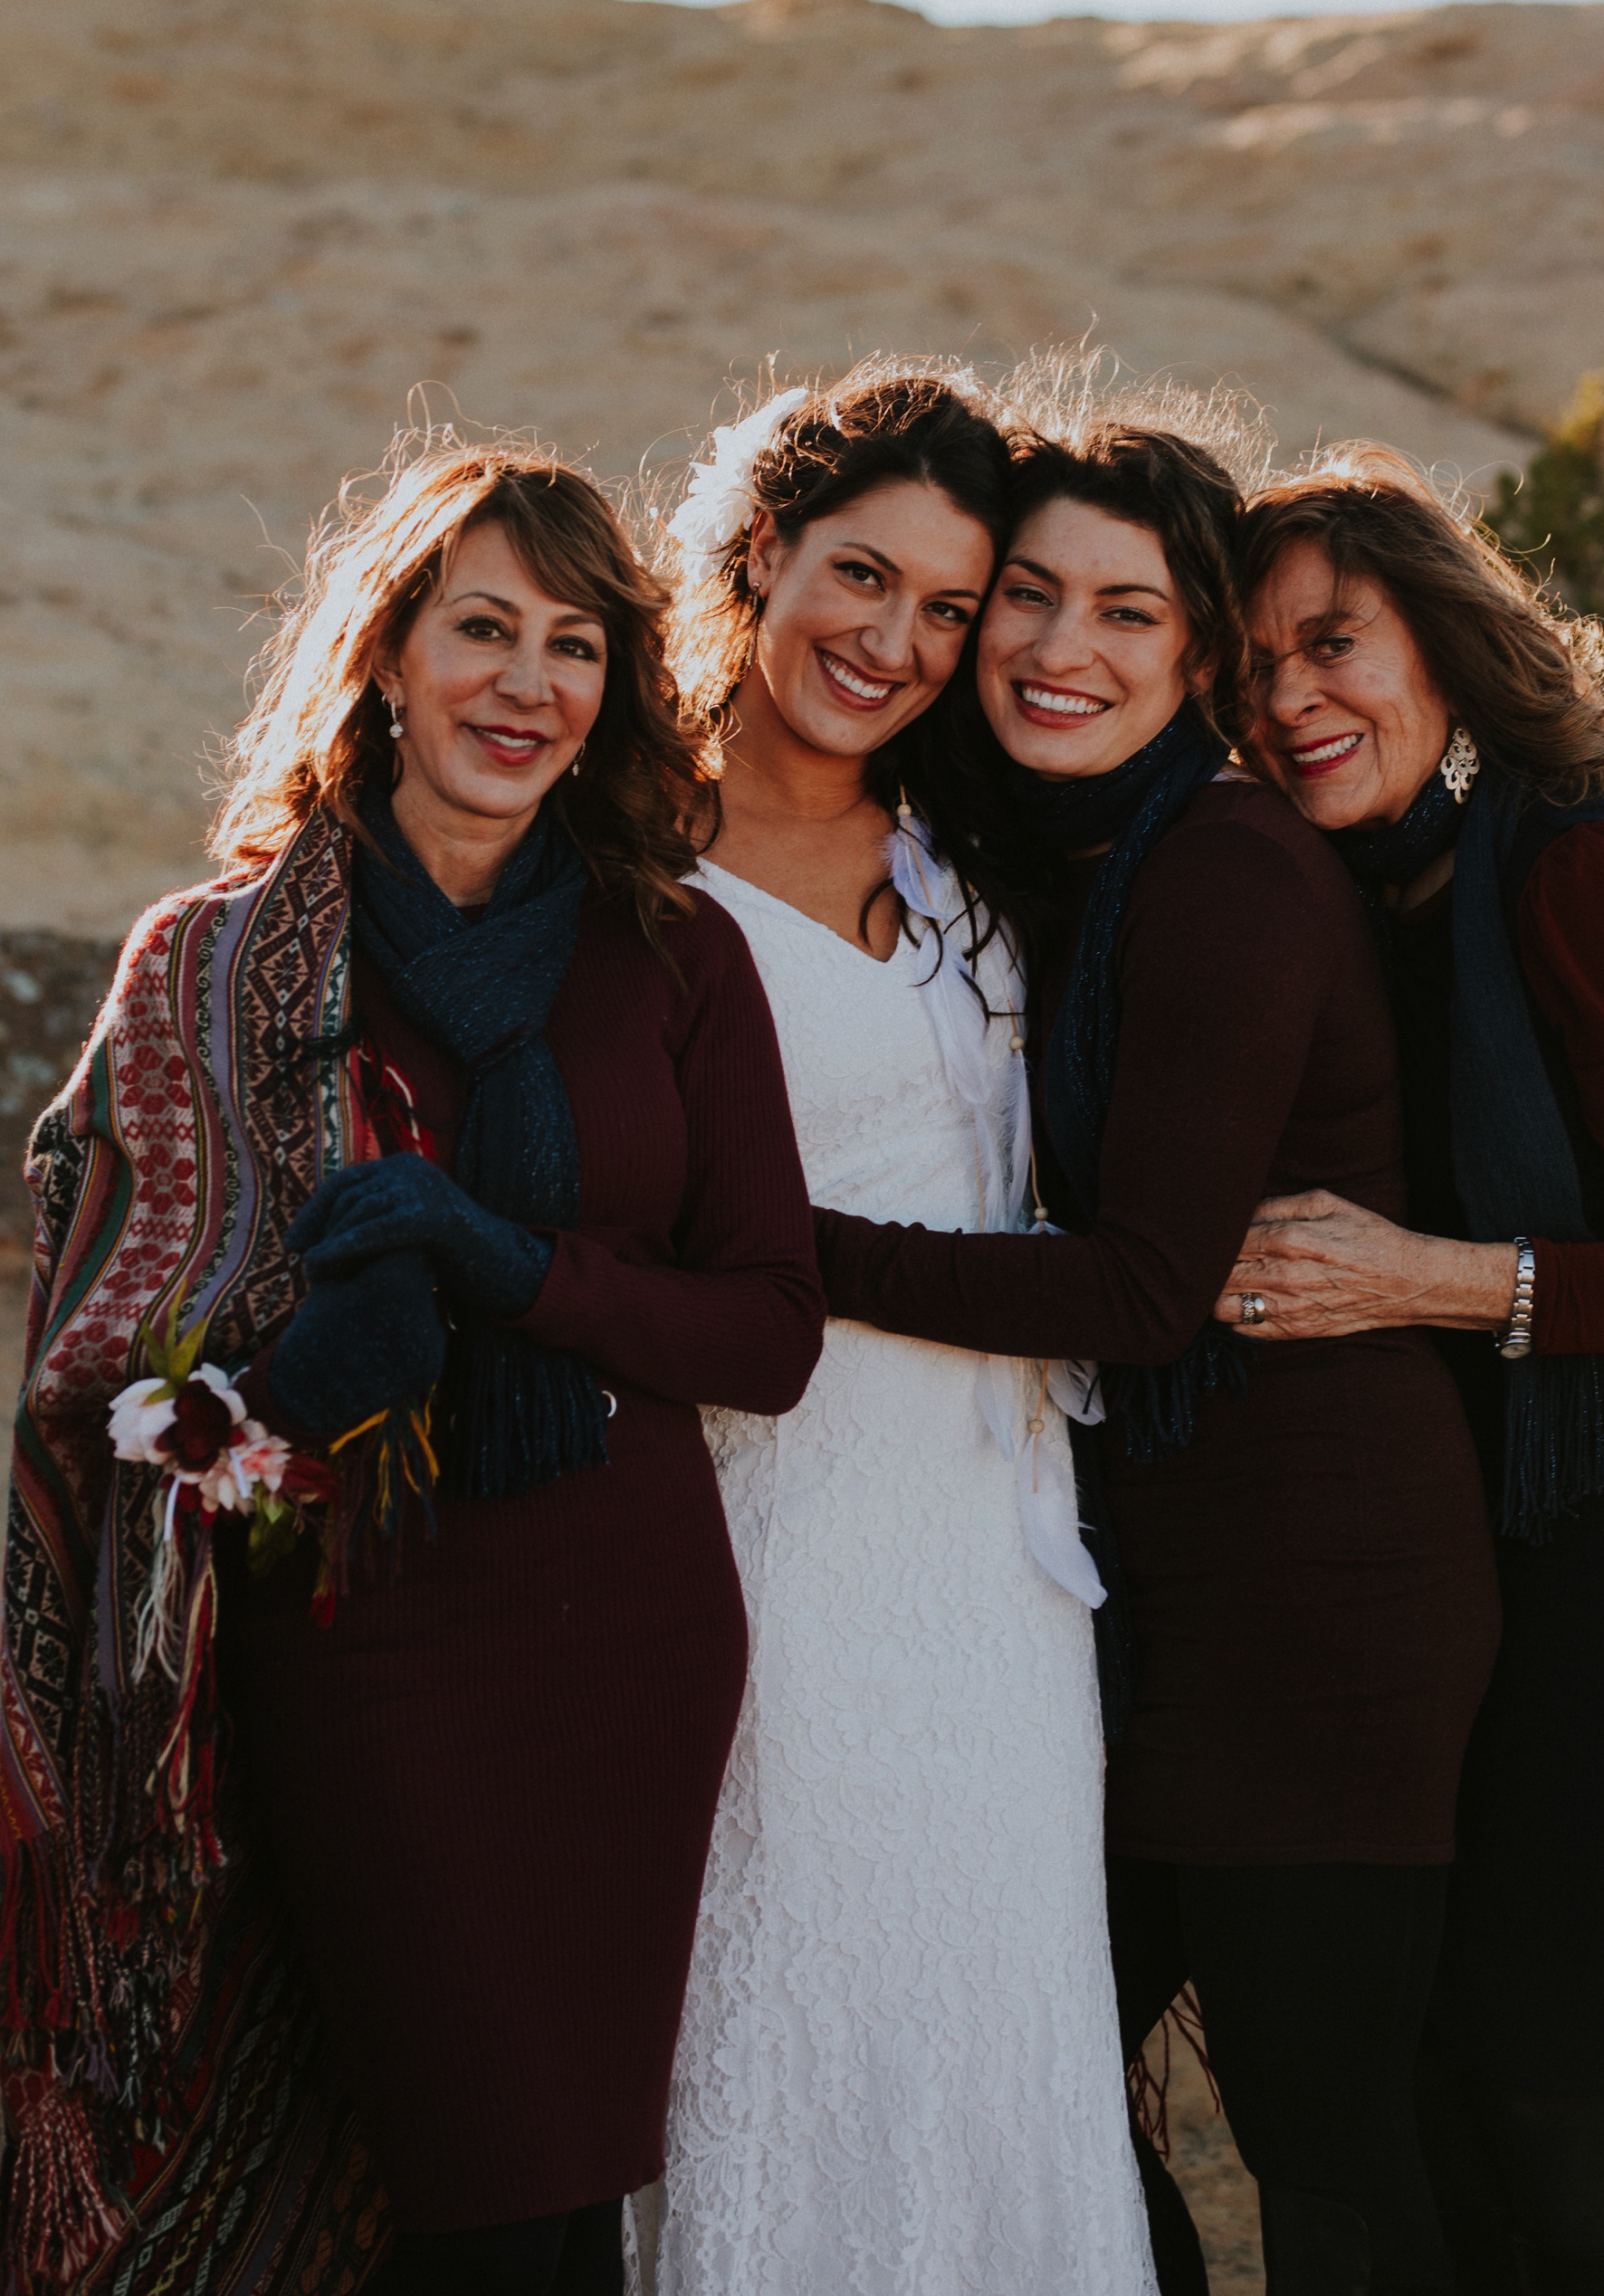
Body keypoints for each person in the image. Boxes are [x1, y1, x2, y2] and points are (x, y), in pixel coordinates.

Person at [0, 436, 823, 2296]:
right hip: (361, 1652)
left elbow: (768, 1329)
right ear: (384, 654)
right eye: (482, 629)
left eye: (574, 645)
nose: (525, 685)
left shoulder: (674, 960)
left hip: (626, 1633)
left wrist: (507, 1267)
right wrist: (293, 1381)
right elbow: (102, 1381)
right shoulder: (211, 967)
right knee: (465, 2184)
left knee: (554, 2199)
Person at [811, 371, 1502, 2296]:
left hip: (1323, 1605)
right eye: (1025, 595)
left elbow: (1133, 1287)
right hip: (1160, 1600)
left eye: (1126, 613)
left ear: (1197, 654)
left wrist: (777, 1251)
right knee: (1042, 2080)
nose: (1055, 647)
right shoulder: (1072, 868)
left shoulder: (1222, 869)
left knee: (1326, 2140)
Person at [1227, 448, 1604, 2296]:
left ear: (1446, 640)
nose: (1292, 698)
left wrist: (1431, 1281)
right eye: (1249, 673)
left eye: (1332, 642)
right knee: (1466, 2035)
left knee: (1539, 2047)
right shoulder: (1394, 889)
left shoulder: (1575, 872)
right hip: (1535, 1519)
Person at [644, 366, 1160, 2296]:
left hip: (1008, 1568)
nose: (897, 642)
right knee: (784, 1999)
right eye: (861, 576)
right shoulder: (631, 859)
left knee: (999, 2031)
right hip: (772, 1535)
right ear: (760, 550)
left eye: (949, 609)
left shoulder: (969, 848)